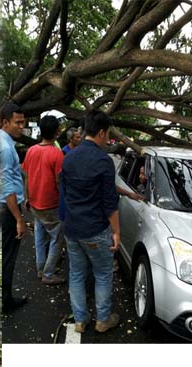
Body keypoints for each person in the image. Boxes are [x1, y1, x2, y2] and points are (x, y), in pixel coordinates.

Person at [61, 109, 121, 334]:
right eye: (107, 135)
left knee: (76, 273)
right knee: (103, 273)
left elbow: (65, 193)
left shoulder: (69, 157)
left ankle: (80, 320)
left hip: (72, 228)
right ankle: (103, 319)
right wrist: (116, 232)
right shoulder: (103, 161)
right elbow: (109, 203)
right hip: (95, 229)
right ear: (102, 133)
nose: (107, 139)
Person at [21, 115, 66, 285]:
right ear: (57, 132)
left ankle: (41, 269)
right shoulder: (56, 154)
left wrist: (27, 197)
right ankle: (48, 273)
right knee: (57, 239)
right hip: (51, 205)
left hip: (34, 203)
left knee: (39, 237)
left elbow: (26, 176)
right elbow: (59, 181)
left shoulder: (32, 150)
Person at [0, 102, 28, 313]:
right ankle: (5, 301)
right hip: (7, 209)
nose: (22, 127)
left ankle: (4, 298)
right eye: (18, 122)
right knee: (7, 257)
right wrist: (18, 218)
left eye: (23, 122)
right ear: (5, 122)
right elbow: (7, 187)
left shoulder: (1, 141)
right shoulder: (5, 147)